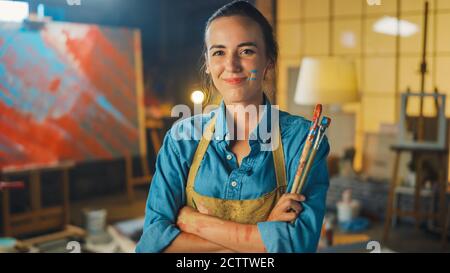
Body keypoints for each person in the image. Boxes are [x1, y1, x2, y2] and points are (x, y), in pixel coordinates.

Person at [136, 0, 330, 253]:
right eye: (218, 52)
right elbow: (151, 244)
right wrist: (262, 236)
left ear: (268, 61)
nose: (232, 65)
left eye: (246, 51)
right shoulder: (182, 139)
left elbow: (297, 246)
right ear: (207, 62)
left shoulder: (302, 140)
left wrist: (195, 223)